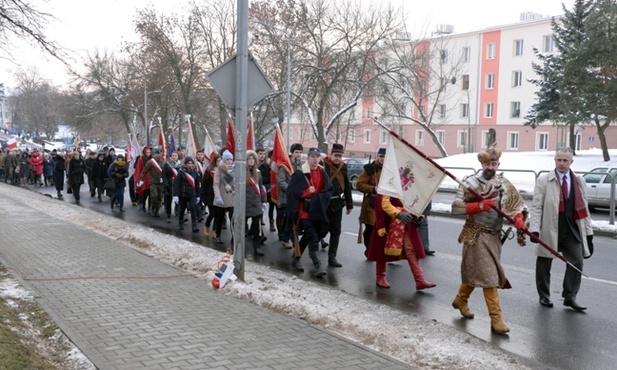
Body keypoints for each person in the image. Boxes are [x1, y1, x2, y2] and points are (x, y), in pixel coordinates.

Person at [450, 146, 527, 335]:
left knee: (479, 273)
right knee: (490, 277)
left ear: (498, 164)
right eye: (486, 164)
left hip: (495, 235)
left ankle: (460, 300)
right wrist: (478, 206)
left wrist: (518, 217)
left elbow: (518, 204)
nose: (490, 167)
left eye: (493, 164)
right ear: (481, 164)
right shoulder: (470, 183)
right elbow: (455, 208)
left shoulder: (504, 183)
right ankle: (496, 320)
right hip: (475, 234)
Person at [529, 147, 593, 311]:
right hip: (550, 227)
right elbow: (536, 207)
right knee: (544, 263)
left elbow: (584, 208)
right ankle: (544, 295)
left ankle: (570, 296)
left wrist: (589, 234)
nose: (562, 163)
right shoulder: (544, 180)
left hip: (572, 229)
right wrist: (535, 229)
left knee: (577, 261)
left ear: (571, 162)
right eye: (559, 160)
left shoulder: (579, 181)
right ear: (555, 161)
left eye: (565, 160)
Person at [287, 147, 333, 277]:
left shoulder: (322, 172)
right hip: (304, 212)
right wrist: (307, 192)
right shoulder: (300, 173)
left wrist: (321, 197)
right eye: (312, 156)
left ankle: (296, 259)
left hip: (318, 210)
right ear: (307, 158)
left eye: (317, 156)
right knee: (312, 238)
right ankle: (318, 265)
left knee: (315, 234)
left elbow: (329, 189)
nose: (314, 159)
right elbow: (292, 192)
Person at [323, 143, 353, 267]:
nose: (337, 158)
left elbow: (347, 187)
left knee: (336, 231)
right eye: (336, 155)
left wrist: (349, 204)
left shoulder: (343, 167)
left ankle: (332, 257)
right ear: (331, 154)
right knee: (322, 230)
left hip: (338, 205)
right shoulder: (323, 165)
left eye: (340, 156)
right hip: (324, 204)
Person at [356, 148, 385, 251]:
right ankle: (370, 250)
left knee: (384, 229)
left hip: (386, 204)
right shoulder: (370, 169)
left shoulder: (390, 170)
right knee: (371, 229)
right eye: (381, 156)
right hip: (371, 205)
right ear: (377, 156)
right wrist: (372, 189)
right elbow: (359, 184)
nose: (383, 159)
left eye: (385, 157)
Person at [276, 143, 303, 248]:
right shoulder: (285, 166)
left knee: (291, 219)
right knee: (290, 218)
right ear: (292, 153)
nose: (298, 154)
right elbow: (281, 181)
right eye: (296, 152)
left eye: (300, 152)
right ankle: (294, 242)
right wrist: (291, 190)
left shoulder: (301, 165)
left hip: (298, 197)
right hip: (287, 197)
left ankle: (286, 238)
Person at [245, 150, 267, 256]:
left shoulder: (258, 172)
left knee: (256, 226)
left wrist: (263, 201)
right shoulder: (240, 171)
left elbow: (261, 187)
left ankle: (257, 247)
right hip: (244, 202)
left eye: (253, 159)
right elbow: (228, 180)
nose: (251, 161)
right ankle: (234, 243)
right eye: (249, 159)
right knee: (240, 225)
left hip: (256, 202)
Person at [173, 156, 202, 232]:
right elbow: (177, 184)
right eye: (188, 163)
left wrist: (198, 195)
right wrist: (176, 195)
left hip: (192, 194)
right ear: (185, 164)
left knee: (192, 208)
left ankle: (194, 225)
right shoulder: (181, 172)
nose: (190, 165)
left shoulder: (195, 172)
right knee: (182, 209)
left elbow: (197, 185)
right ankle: (180, 222)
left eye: (191, 163)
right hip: (183, 194)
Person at [213, 150, 235, 246]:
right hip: (222, 197)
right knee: (219, 218)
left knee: (233, 219)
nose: (229, 161)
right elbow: (216, 184)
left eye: (231, 159)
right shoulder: (219, 169)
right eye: (227, 159)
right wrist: (218, 196)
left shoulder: (235, 168)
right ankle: (218, 235)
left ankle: (234, 237)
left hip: (233, 198)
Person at [139, 147, 165, 217]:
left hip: (161, 182)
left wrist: (164, 178)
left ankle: (157, 210)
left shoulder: (163, 162)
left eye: (160, 153)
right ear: (155, 154)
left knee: (160, 197)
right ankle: (152, 208)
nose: (159, 155)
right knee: (154, 196)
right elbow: (144, 171)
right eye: (157, 153)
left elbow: (166, 171)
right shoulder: (151, 162)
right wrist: (141, 180)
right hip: (153, 182)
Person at [201, 154, 221, 237]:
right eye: (218, 161)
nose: (219, 162)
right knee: (212, 213)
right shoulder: (209, 170)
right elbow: (204, 183)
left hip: (219, 195)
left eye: (221, 161)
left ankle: (215, 230)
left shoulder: (223, 170)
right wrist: (203, 195)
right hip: (210, 195)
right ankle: (207, 225)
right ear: (215, 161)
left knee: (218, 214)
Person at [163, 152, 181, 223]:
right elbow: (164, 175)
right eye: (172, 155)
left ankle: (178, 212)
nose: (174, 157)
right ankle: (168, 215)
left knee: (178, 200)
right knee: (168, 201)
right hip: (169, 185)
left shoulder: (180, 165)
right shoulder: (167, 165)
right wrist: (166, 184)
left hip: (177, 186)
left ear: (178, 157)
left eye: (175, 155)